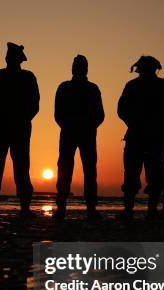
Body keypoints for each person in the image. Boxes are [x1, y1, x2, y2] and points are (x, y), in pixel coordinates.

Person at [0, 42, 40, 218]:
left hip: (19, 130)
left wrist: (22, 120)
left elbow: (34, 105)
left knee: (20, 169)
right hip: (2, 129)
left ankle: (23, 208)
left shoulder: (27, 77)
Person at [117, 56, 164, 220]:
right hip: (152, 136)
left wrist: (133, 123)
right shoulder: (162, 85)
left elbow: (121, 110)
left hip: (140, 136)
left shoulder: (133, 86)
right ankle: (149, 211)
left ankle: (131, 211)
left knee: (134, 174)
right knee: (151, 174)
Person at [54, 55, 105, 220]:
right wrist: (70, 125)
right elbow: (58, 114)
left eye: (81, 66)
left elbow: (100, 114)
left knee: (89, 171)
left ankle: (90, 209)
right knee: (65, 170)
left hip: (86, 134)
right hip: (70, 133)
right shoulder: (64, 87)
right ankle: (61, 208)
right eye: (76, 66)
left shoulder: (92, 89)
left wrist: (89, 126)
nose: (78, 69)